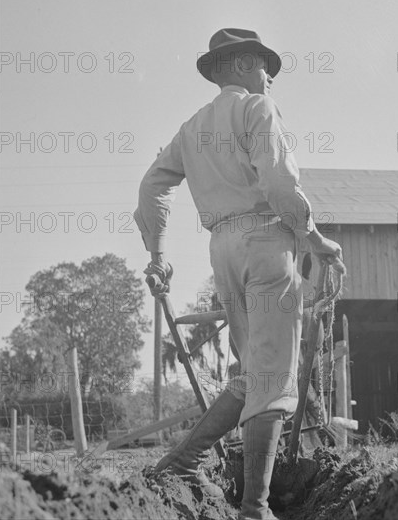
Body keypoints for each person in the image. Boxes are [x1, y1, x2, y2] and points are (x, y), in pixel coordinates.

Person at [134, 28, 345, 520]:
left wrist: (159, 253)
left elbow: (151, 187)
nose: (270, 75)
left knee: (253, 373)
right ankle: (255, 508)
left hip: (221, 248)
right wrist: (316, 240)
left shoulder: (191, 129)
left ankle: (185, 459)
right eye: (263, 65)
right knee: (272, 378)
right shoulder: (257, 109)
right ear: (242, 63)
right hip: (268, 241)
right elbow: (277, 181)